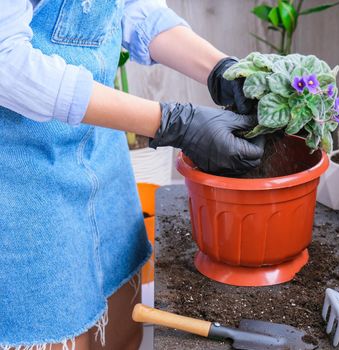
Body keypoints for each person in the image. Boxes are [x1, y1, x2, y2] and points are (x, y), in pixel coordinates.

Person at [0, 0, 264, 349]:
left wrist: (222, 71)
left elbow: (132, 7)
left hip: (100, 151)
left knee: (123, 332)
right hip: (22, 181)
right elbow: (7, 63)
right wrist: (171, 123)